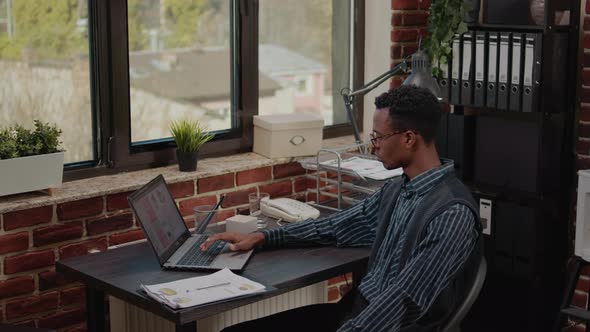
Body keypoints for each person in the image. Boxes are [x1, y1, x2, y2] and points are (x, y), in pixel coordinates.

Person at [201, 85, 482, 332]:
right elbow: (337, 226)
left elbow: (403, 300)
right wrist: (264, 237)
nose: (373, 147)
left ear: (409, 139)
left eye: (378, 137)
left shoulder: (451, 214)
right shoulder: (399, 189)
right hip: (355, 312)